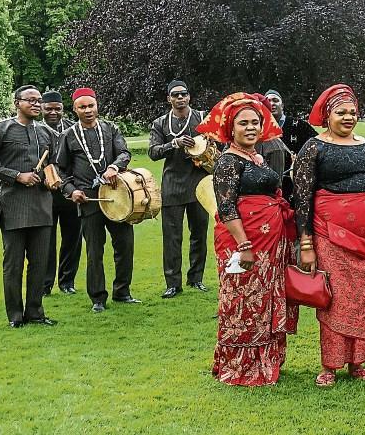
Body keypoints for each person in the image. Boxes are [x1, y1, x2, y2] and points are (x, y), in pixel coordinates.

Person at [294, 84, 365, 387]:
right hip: (331, 237)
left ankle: (358, 362)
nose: (348, 117)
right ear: (327, 115)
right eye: (341, 112)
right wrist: (306, 244)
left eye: (353, 112)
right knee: (335, 300)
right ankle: (330, 365)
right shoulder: (314, 148)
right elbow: (301, 198)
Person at [198, 92, 297, 386]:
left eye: (255, 121)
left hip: (270, 242)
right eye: (244, 123)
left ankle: (266, 360)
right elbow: (226, 208)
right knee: (241, 299)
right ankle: (240, 365)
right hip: (243, 242)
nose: (251, 127)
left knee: (265, 298)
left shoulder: (256, 155)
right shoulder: (228, 161)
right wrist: (244, 246)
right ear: (231, 128)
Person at [0, 85, 57, 328]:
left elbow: (55, 163)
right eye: (30, 100)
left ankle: (36, 312)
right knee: (13, 265)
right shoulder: (2, 129)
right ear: (17, 103)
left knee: (40, 264)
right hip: (12, 206)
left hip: (42, 206)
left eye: (38, 100)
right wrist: (15, 175)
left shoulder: (46, 132)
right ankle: (15, 316)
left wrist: (53, 178)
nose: (36, 104)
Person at [55, 87, 140, 313]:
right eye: (82, 107)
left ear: (97, 105)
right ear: (75, 109)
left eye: (91, 105)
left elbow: (124, 153)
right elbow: (60, 170)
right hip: (88, 198)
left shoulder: (110, 128)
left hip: (117, 195)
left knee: (125, 244)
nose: (88, 110)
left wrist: (114, 166)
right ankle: (98, 298)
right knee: (94, 250)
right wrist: (71, 190)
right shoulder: (68, 135)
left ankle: (122, 292)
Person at [148, 80, 210, 298]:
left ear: (189, 96)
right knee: (172, 237)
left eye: (184, 94)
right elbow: (153, 152)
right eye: (175, 95)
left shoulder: (202, 117)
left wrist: (205, 146)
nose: (180, 98)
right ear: (169, 99)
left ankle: (196, 278)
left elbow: (218, 142)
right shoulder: (161, 123)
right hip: (172, 185)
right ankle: (173, 283)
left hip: (200, 184)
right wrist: (173, 144)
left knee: (199, 234)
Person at [40, 90, 82, 296]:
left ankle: (67, 281)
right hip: (44, 193)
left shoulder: (74, 130)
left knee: (72, 238)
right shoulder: (36, 129)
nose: (53, 113)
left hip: (70, 190)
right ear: (41, 109)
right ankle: (45, 283)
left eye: (57, 109)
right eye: (49, 109)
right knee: (45, 240)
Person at [264, 89, 317, 200]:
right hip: (268, 187)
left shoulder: (300, 125)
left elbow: (318, 147)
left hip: (296, 184)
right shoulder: (258, 130)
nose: (272, 103)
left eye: (275, 100)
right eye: (268, 101)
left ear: (282, 105)